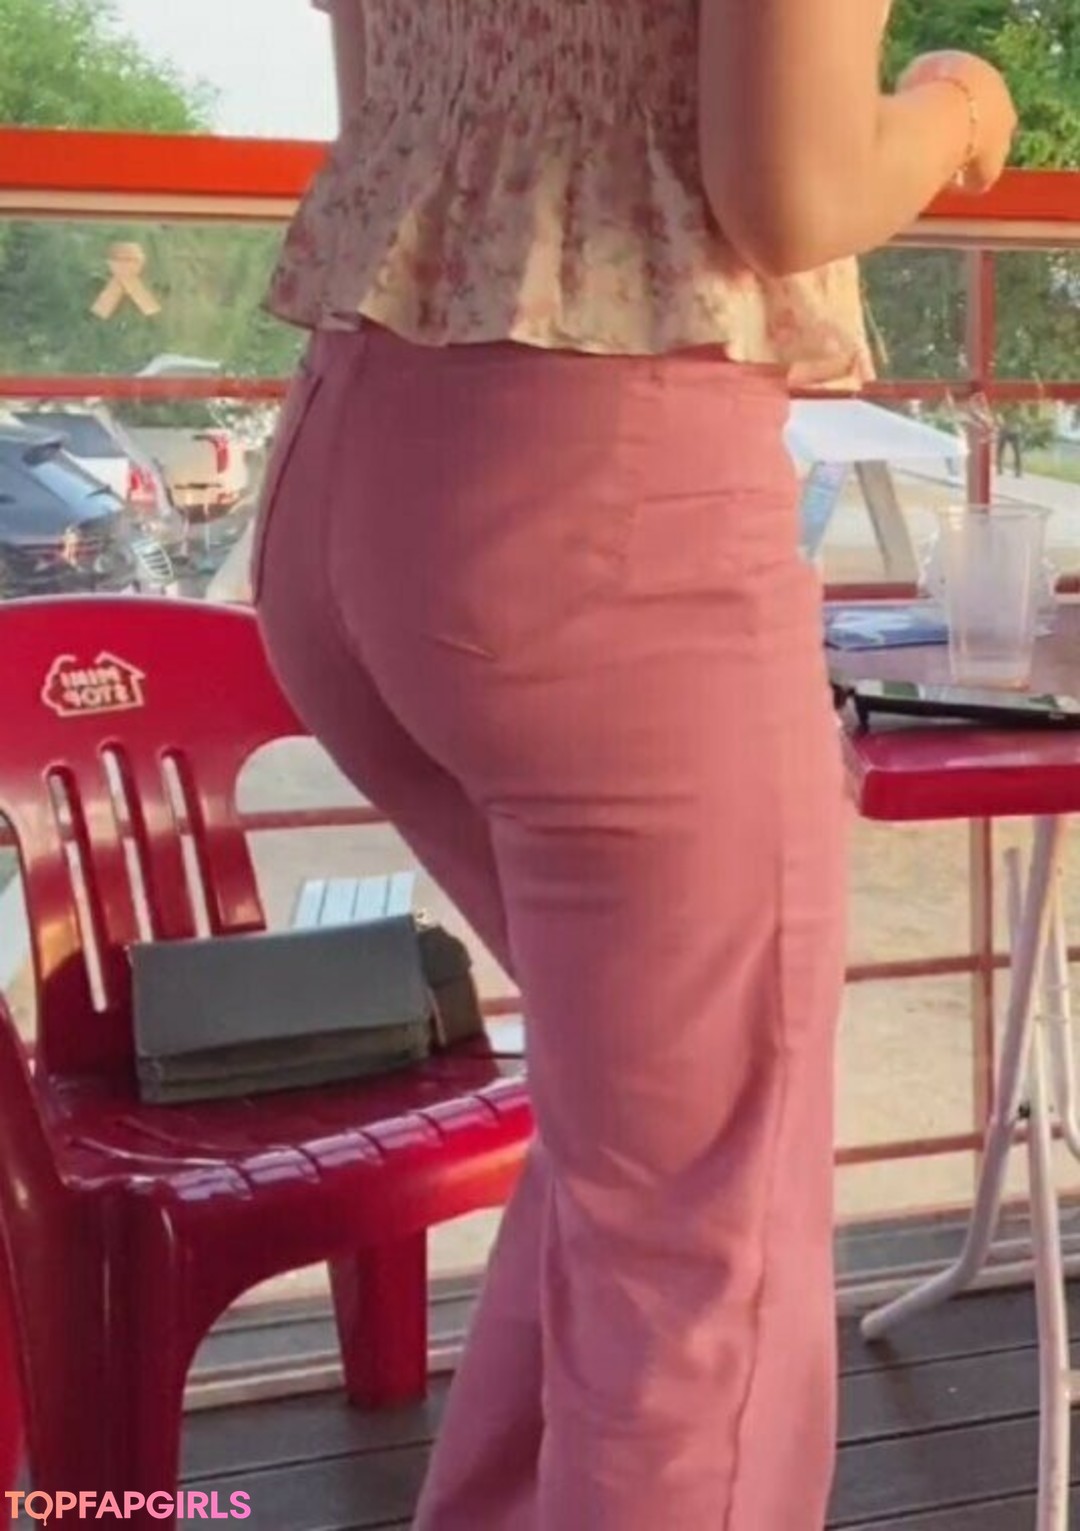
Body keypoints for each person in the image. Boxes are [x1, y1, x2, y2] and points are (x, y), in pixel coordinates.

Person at [254, 5, 1017, 1527]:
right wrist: (957, 105)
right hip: (597, 500)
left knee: (633, 1149)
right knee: (696, 1242)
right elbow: (790, 192)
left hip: (351, 470)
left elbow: (377, 105)